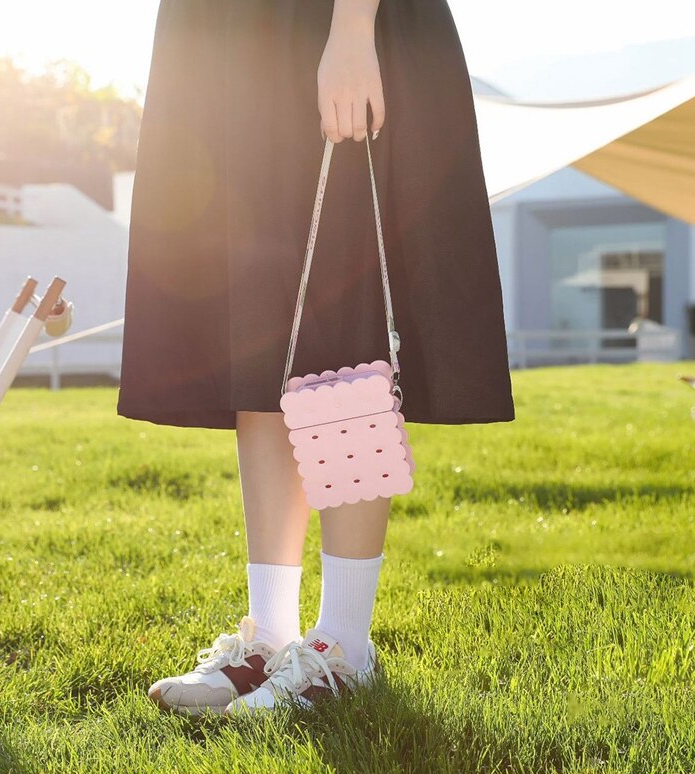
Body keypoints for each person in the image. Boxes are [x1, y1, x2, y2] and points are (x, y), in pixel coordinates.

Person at [117, 0, 514, 716]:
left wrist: (354, 29)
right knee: (259, 334)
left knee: (341, 338)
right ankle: (269, 635)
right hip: (229, 41)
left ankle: (343, 647)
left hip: (329, 28)